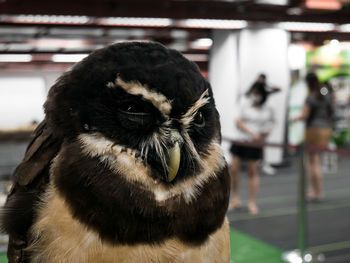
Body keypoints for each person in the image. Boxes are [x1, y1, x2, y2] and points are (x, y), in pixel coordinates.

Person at [228, 81, 275, 214]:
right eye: (254, 92)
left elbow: (272, 121)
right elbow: (238, 121)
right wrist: (251, 133)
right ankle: (235, 198)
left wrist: (267, 131)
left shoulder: (268, 107)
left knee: (252, 171)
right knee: (234, 169)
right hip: (240, 140)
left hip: (255, 143)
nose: (255, 95)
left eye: (258, 93)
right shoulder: (245, 103)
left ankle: (252, 202)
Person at [292, 72, 333, 201]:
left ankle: (313, 191)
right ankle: (318, 191)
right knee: (318, 162)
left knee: (311, 162)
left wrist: (294, 119)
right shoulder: (325, 95)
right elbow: (331, 113)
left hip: (313, 130)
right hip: (325, 129)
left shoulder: (310, 97)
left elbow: (304, 115)